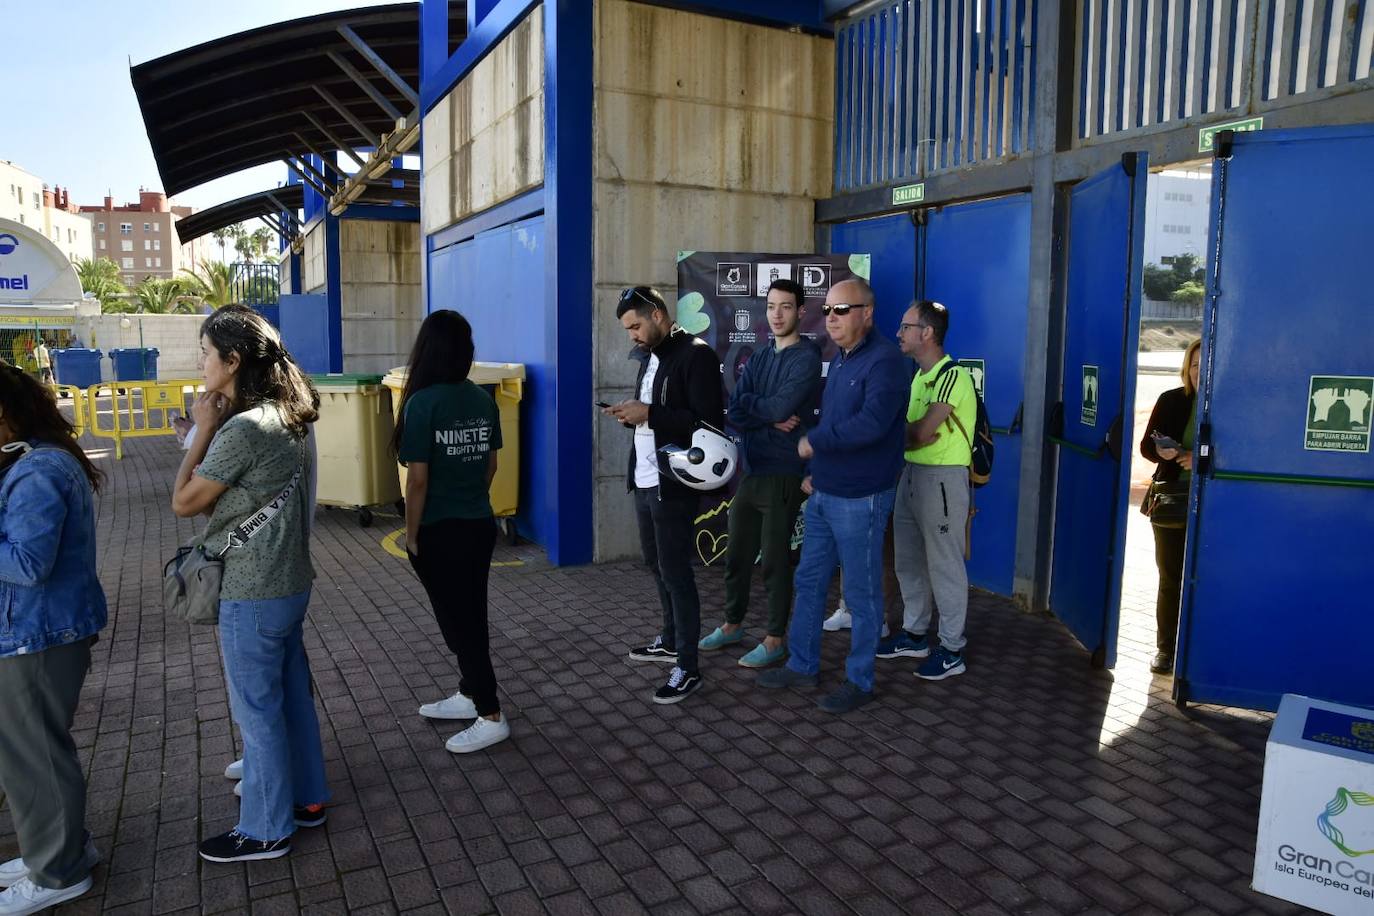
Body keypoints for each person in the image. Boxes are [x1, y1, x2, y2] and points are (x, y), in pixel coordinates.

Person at [171, 305, 328, 863]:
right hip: (289, 582)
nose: (203, 362)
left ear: (234, 361)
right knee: (292, 700)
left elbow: (184, 501)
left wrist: (203, 428)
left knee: (257, 713)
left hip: (252, 591)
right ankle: (308, 801)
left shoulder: (240, 428)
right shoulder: (288, 414)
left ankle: (264, 829)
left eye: (208, 353)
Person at [757, 278, 908, 713]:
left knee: (861, 595)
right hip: (825, 493)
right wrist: (815, 471)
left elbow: (871, 426)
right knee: (808, 581)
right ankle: (803, 665)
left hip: (862, 498)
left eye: (842, 310)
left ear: (868, 313)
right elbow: (839, 420)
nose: (832, 319)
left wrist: (815, 443)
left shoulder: (886, 362)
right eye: (827, 311)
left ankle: (860, 681)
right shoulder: (840, 359)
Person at [0, 365, 105, 914]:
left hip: (37, 635)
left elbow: (28, 562)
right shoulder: (35, 459)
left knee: (33, 755)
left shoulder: (38, 470)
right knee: (32, 750)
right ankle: (59, 848)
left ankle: (57, 869)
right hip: (36, 632)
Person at [394, 310, 509, 753]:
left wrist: (412, 534)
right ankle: (468, 694)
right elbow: (491, 465)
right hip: (478, 525)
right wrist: (468, 498)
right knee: (464, 617)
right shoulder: (481, 399)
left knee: (463, 625)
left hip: (441, 531)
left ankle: (490, 713)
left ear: (427, 352)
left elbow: (416, 481)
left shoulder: (423, 404)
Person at [607, 286, 725, 704]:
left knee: (677, 573)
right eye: (627, 329)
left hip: (674, 483)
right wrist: (631, 415)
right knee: (655, 564)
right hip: (644, 478)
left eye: (636, 326)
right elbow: (653, 413)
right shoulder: (651, 357)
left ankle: (688, 668)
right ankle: (672, 640)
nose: (632, 335)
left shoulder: (697, 356)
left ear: (658, 314)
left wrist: (650, 414)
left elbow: (708, 423)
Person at [700, 279, 821, 668]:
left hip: (783, 474)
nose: (777, 314)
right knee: (736, 555)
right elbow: (735, 409)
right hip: (751, 472)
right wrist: (767, 418)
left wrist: (761, 411)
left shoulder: (806, 357)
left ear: (801, 311)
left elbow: (780, 404)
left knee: (773, 561)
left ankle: (774, 638)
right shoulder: (761, 356)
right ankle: (733, 624)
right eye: (772, 306)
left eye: (786, 307)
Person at [880, 301, 977, 680]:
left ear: (928, 333)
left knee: (944, 564)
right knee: (908, 559)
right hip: (912, 473)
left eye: (906, 327)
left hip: (942, 478)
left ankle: (952, 649)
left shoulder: (952, 375)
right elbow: (914, 433)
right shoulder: (919, 377)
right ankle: (915, 634)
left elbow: (920, 432)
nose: (899, 333)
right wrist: (910, 434)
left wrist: (908, 433)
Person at [1140, 338, 1202, 674]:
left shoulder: (1230, 404)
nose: (1198, 371)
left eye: (1205, 364)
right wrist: (1162, 452)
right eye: (1194, 365)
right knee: (1170, 577)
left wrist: (1202, 458)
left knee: (1205, 578)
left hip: (1212, 505)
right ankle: (1165, 650)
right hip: (1170, 501)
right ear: (1186, 368)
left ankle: (1199, 650)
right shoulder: (1171, 400)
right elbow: (1146, 446)